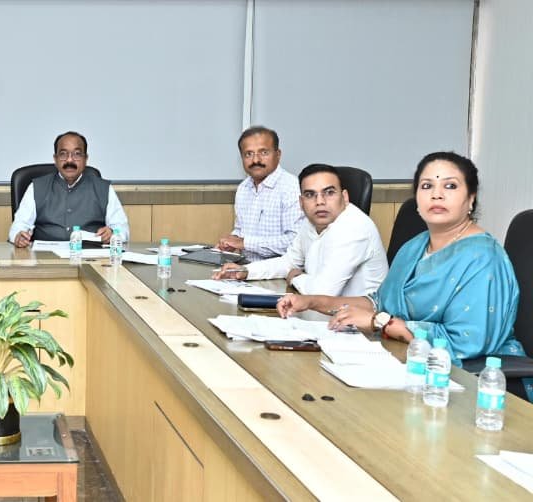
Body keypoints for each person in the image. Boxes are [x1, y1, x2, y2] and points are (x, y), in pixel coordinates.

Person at [278, 152, 527, 389]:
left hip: (473, 381)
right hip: (406, 361)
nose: (437, 195)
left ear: (471, 198)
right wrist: (311, 302)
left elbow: (466, 342)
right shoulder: (414, 247)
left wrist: (381, 323)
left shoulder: (483, 257)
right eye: (427, 186)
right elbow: (377, 303)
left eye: (450, 186)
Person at [213, 163, 387, 297]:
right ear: (301, 203)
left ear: (345, 197)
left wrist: (296, 277)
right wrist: (246, 271)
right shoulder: (311, 221)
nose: (320, 202)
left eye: (329, 192)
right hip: (321, 314)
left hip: (357, 325)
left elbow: (322, 293)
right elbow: (289, 262)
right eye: (310, 195)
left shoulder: (354, 228)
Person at [8, 131, 129, 247]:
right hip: (46, 257)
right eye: (63, 154)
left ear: (85, 159)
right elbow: (18, 227)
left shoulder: (103, 189)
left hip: (89, 257)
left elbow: (122, 229)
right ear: (55, 159)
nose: (69, 160)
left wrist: (113, 233)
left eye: (77, 154)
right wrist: (19, 237)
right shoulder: (36, 187)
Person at [217, 126, 305, 262]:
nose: (255, 160)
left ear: (278, 154)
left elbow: (295, 241)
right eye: (248, 154)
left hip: (279, 271)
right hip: (245, 267)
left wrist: (245, 243)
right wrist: (231, 241)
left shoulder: (291, 187)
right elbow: (240, 231)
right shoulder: (243, 188)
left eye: (263, 152)